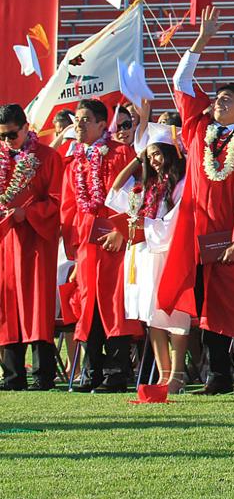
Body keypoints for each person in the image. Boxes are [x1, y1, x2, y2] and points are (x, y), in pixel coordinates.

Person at [158, 6, 234, 395]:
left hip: (229, 234)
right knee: (205, 305)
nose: (219, 103)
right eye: (217, 98)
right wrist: (201, 41)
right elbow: (181, 80)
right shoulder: (197, 132)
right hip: (198, 233)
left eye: (227, 99)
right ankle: (215, 376)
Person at [60, 98, 139, 392]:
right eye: (76, 120)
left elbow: (136, 194)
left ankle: (117, 374)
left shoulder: (121, 154)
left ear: (102, 125)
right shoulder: (74, 162)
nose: (78, 125)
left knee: (114, 306)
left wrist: (122, 230)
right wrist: (74, 252)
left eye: (84, 120)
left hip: (115, 245)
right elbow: (69, 210)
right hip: (86, 247)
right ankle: (91, 372)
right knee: (88, 308)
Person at [106, 143, 191, 393]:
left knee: (173, 314)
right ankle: (163, 377)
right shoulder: (147, 186)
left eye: (157, 153)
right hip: (144, 254)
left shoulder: (182, 184)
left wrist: (145, 224)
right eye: (150, 155)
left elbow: (175, 221)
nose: (154, 159)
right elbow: (114, 192)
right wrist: (136, 158)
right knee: (152, 316)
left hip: (168, 254)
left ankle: (177, 375)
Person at [0, 104, 64, 390]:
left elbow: (58, 199)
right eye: (1, 136)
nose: (6, 142)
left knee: (37, 303)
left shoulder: (48, 157)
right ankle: (13, 376)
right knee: (7, 303)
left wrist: (30, 213)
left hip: (36, 240)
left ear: (26, 128)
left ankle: (43, 374)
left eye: (11, 135)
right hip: (6, 242)